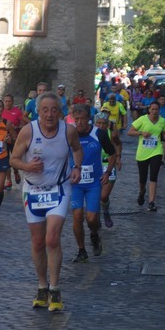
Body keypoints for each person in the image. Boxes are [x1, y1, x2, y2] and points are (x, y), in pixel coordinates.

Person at [9, 91, 82, 312]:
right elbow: (13, 159)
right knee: (38, 241)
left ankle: (55, 287)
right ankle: (42, 285)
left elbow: (77, 149)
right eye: (45, 110)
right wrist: (27, 167)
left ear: (59, 112)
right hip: (32, 191)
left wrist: (77, 167)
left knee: (52, 238)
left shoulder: (68, 130)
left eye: (54, 110)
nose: (49, 114)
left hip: (59, 189)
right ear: (38, 111)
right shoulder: (28, 131)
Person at [70, 104, 116, 263]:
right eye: (76, 119)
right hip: (75, 183)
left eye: (83, 119)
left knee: (91, 218)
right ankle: (81, 250)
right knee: (77, 216)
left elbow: (112, 153)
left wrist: (108, 172)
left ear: (89, 119)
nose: (80, 122)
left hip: (93, 184)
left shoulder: (100, 134)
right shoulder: (70, 134)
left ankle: (94, 234)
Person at [128, 101, 165, 212]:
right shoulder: (142, 119)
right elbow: (130, 131)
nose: (155, 111)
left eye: (157, 109)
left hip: (156, 151)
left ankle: (151, 202)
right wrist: (141, 133)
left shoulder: (162, 121)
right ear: (149, 110)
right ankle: (142, 192)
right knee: (143, 178)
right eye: (153, 109)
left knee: (154, 176)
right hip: (142, 153)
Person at [94, 112, 122, 228]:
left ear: (108, 124)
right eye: (99, 123)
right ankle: (96, 218)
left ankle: (105, 211)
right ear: (95, 123)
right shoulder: (91, 135)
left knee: (103, 196)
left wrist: (118, 157)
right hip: (95, 167)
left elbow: (119, 144)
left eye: (104, 123)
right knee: (95, 195)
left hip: (108, 166)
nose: (101, 126)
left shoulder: (112, 134)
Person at [1, 93, 23, 189]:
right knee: (5, 161)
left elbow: (23, 124)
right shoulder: (1, 112)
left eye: (9, 101)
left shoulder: (17, 111)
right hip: (4, 139)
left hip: (14, 139)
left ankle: (16, 171)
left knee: (13, 159)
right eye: (6, 101)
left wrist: (16, 127)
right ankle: (8, 181)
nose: (7, 103)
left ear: (12, 102)